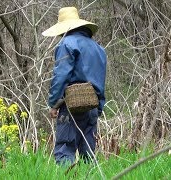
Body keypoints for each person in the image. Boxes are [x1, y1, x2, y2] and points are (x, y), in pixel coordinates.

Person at [42, 7, 107, 166]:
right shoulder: (98, 48)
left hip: (72, 104)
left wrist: (54, 103)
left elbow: (61, 76)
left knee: (65, 148)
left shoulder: (67, 44)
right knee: (88, 154)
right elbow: (100, 79)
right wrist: (99, 107)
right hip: (92, 105)